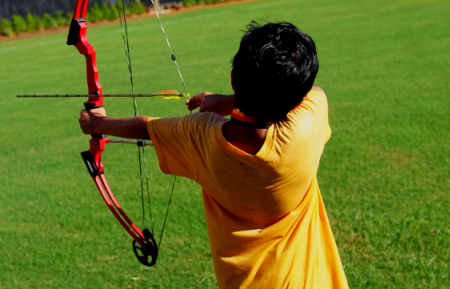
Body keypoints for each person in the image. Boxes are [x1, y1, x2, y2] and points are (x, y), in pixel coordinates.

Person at [79, 22, 350, 289]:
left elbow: (146, 126)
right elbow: (312, 93)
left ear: (233, 77)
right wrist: (231, 100)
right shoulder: (304, 130)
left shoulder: (203, 135)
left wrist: (96, 124)